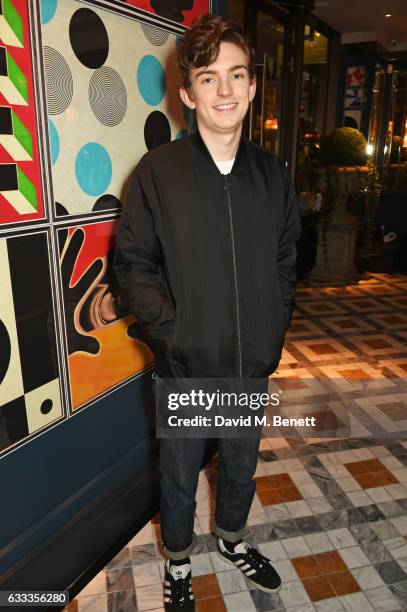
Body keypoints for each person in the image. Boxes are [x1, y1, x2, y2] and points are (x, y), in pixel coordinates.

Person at [114, 13, 301, 611]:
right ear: (188, 92)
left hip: (251, 362)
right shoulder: (158, 175)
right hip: (187, 366)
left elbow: (284, 260)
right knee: (179, 474)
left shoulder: (273, 174)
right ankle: (176, 561)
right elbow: (133, 268)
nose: (224, 90)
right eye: (209, 77)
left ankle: (234, 539)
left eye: (236, 75)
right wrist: (176, 336)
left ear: (251, 87)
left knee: (241, 462)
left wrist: (271, 329)